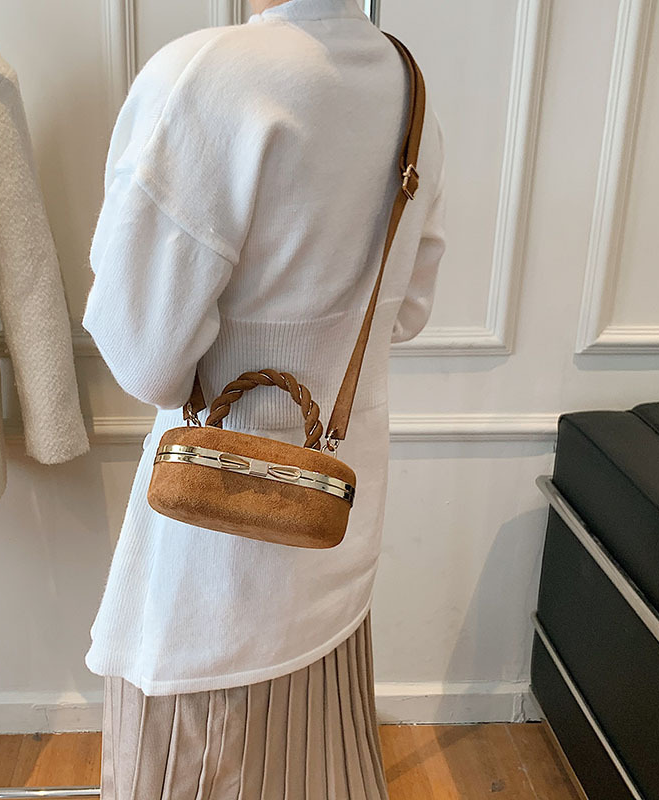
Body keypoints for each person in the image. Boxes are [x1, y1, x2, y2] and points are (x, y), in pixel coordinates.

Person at [83, 0, 447, 796]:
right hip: (331, 525)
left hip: (211, 556)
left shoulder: (205, 77)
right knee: (318, 759)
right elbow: (407, 313)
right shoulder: (406, 86)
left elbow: (144, 357)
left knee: (200, 766)